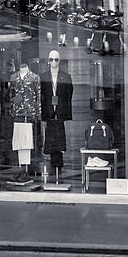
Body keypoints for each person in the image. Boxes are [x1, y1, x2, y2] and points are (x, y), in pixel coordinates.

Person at [40, 49, 74, 178]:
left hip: (60, 110)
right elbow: (40, 95)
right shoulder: (43, 77)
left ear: (59, 61)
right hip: (48, 110)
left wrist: (67, 113)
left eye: (56, 59)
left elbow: (69, 95)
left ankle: (59, 162)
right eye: (51, 59)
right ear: (48, 61)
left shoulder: (66, 76)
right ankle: (53, 161)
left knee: (60, 135)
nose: (53, 62)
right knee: (50, 135)